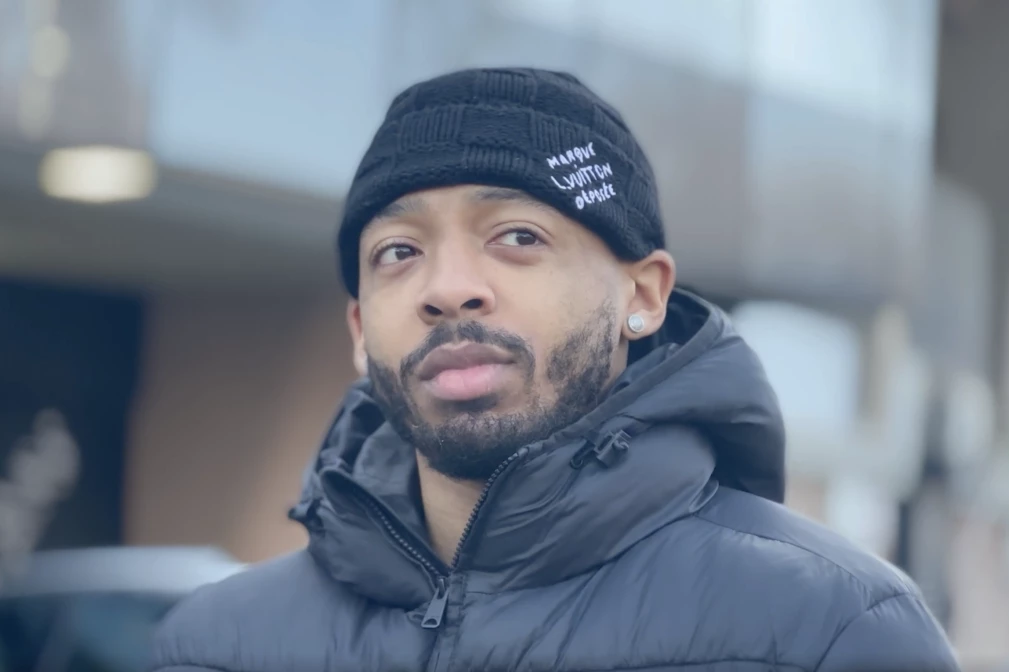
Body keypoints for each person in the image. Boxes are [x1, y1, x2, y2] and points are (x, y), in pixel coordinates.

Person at [150, 68, 959, 672]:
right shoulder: (216, 647)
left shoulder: (831, 630)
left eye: (517, 237)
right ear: (360, 331)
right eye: (398, 252)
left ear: (642, 296)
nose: (447, 288)